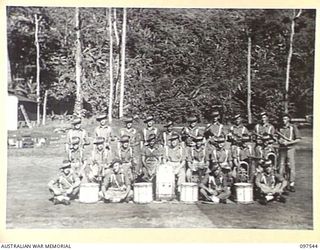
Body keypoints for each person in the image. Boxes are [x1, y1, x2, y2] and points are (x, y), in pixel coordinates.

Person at [277, 113, 301, 192]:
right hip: (282, 149)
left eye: (286, 119)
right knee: (281, 166)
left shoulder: (293, 127)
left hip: (290, 148)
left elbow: (298, 139)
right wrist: (279, 140)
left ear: (289, 120)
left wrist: (289, 143)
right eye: (283, 119)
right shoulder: (280, 128)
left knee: (291, 166)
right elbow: (277, 138)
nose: (284, 121)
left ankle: (291, 184)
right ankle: (282, 183)